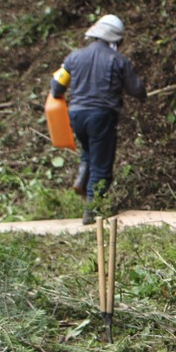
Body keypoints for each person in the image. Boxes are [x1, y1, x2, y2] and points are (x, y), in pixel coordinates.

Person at [50, 14, 148, 225]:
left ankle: (83, 172)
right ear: (116, 39)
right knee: (102, 166)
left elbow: (57, 86)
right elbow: (136, 88)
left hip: (76, 115)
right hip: (101, 115)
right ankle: (91, 211)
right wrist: (142, 96)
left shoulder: (74, 57)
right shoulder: (118, 60)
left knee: (89, 150)